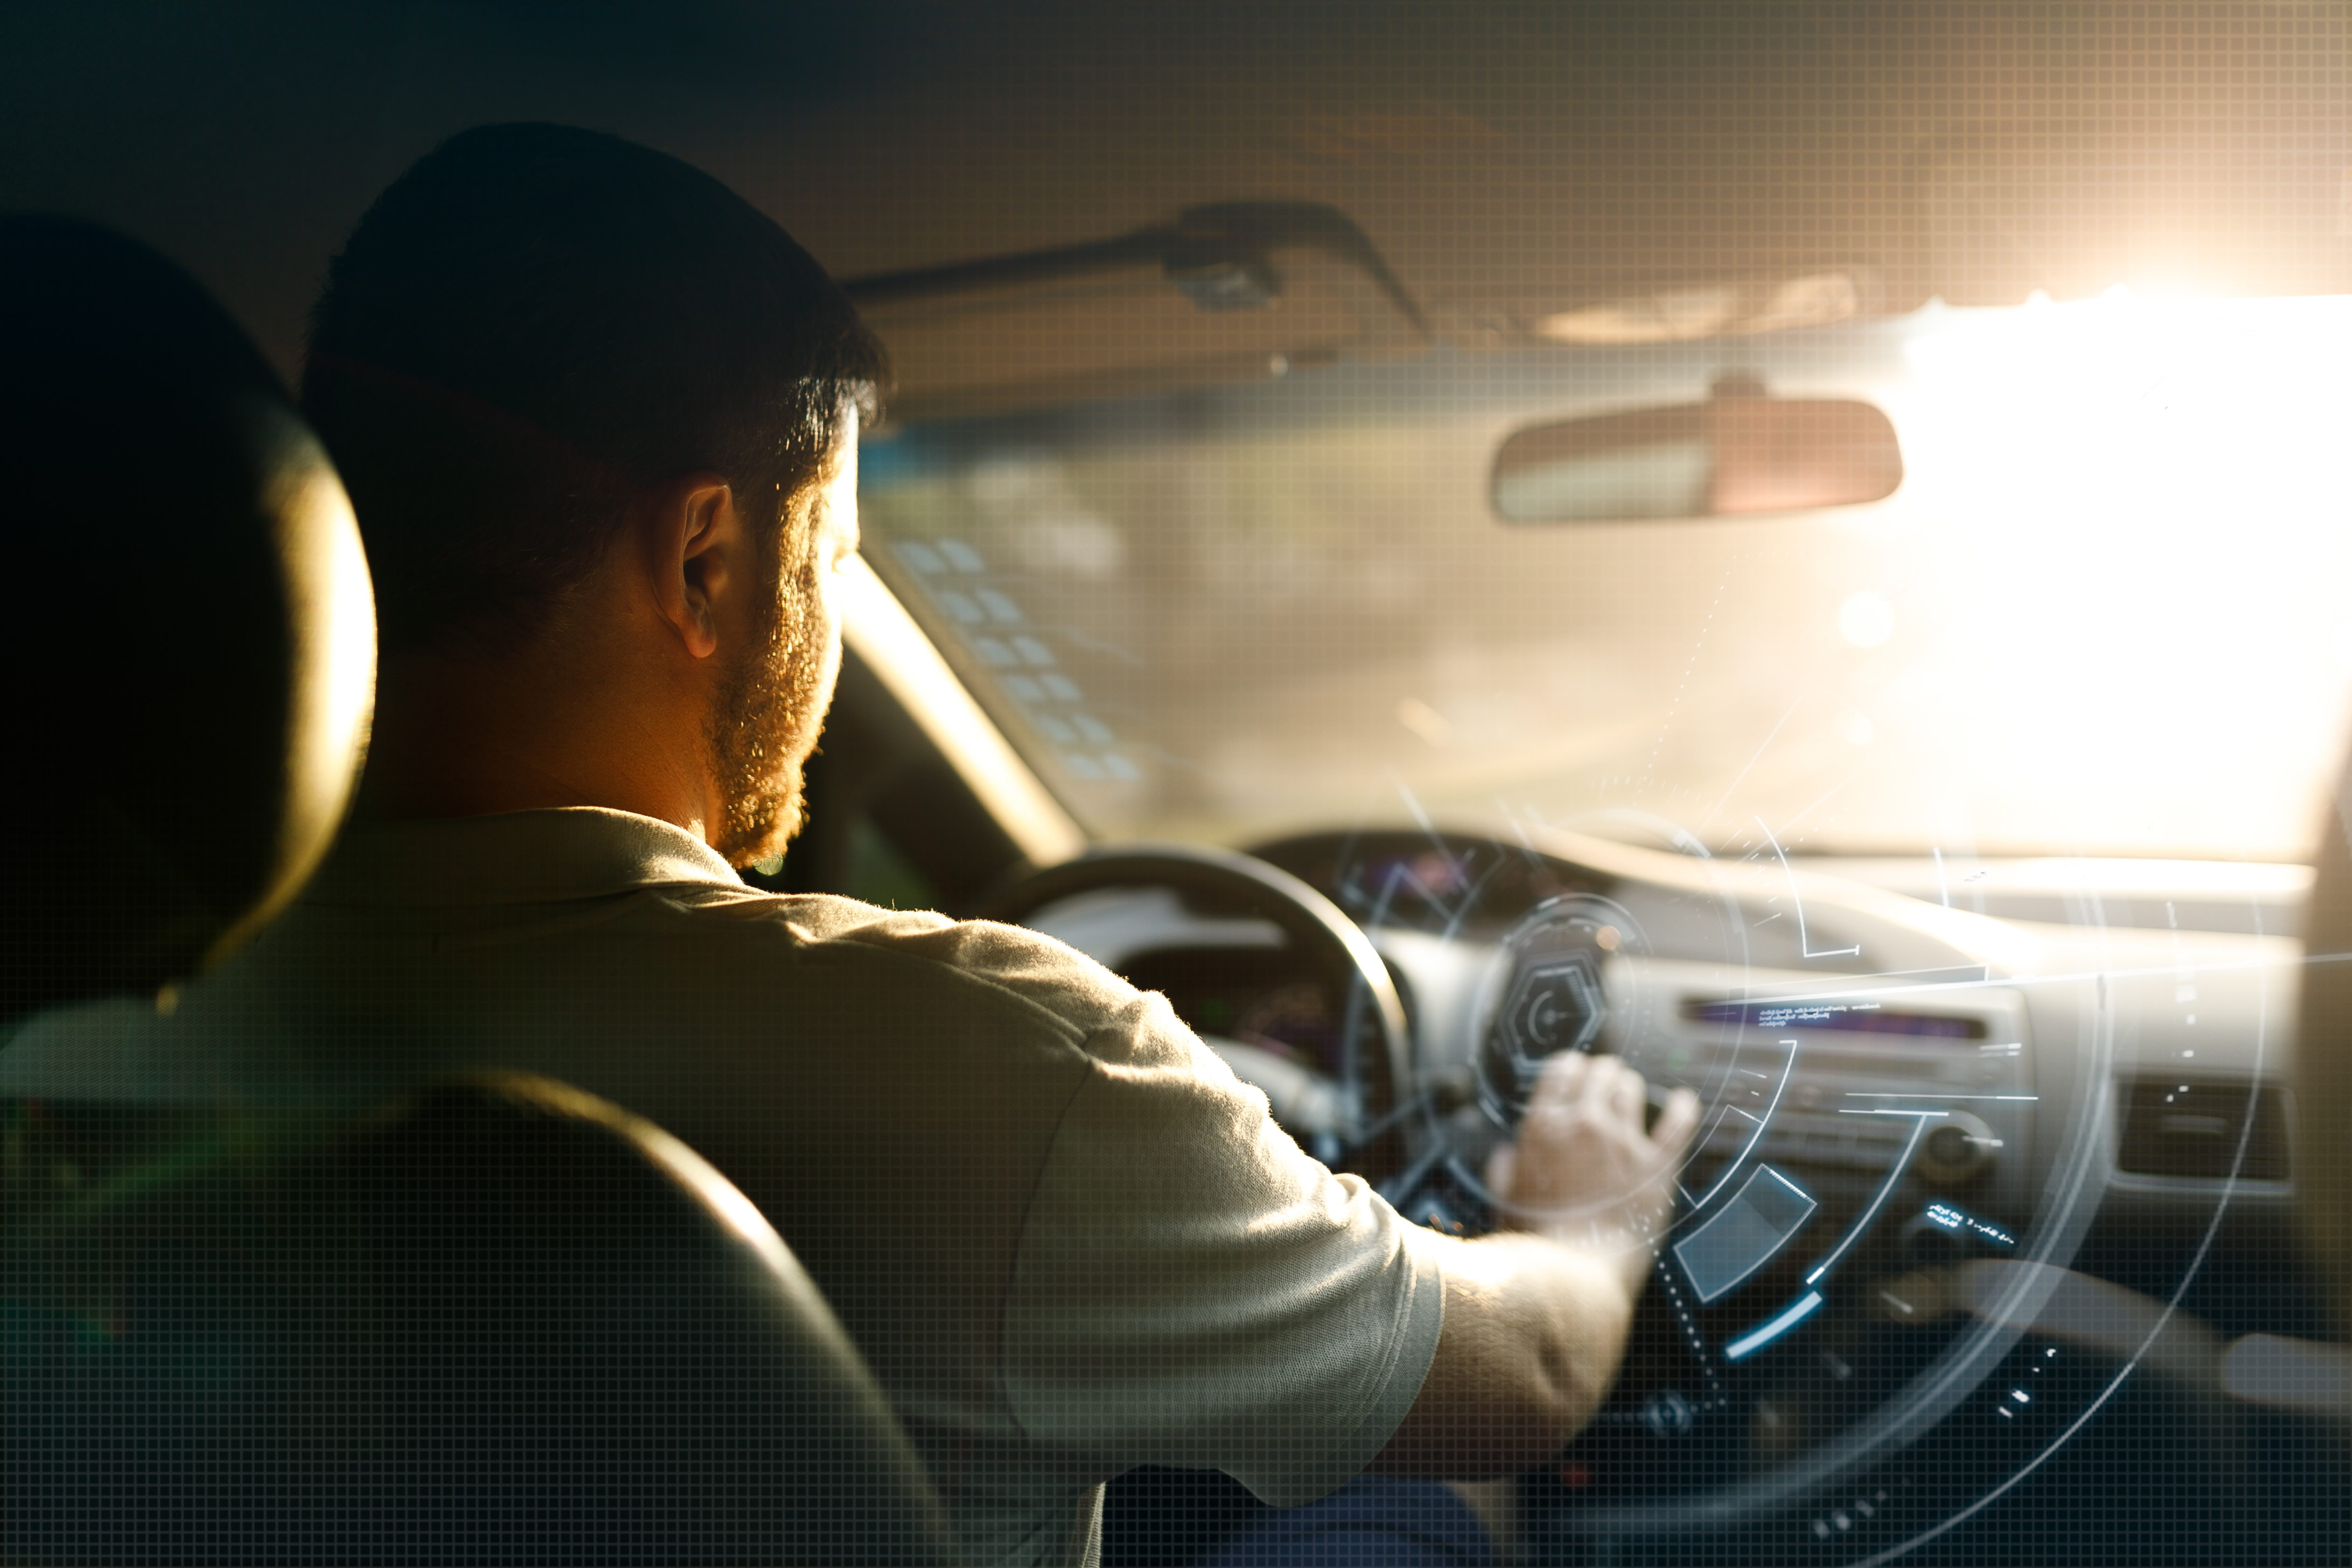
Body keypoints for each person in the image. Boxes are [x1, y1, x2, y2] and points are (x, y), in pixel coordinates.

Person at [0, 123, 1697, 1568]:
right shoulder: (994, 1063)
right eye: (833, 560)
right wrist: (1591, 1219)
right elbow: (1523, 1378)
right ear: (707, 565)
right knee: (1419, 1500)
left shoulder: (56, 1043)